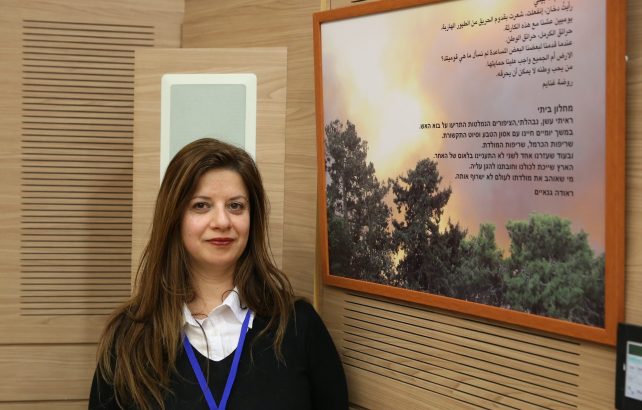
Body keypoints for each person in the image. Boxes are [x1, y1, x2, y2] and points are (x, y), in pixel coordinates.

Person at [89, 138, 348, 410]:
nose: (222, 222)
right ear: (174, 217)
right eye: (201, 205)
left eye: (235, 206)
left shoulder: (298, 326)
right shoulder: (129, 337)